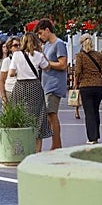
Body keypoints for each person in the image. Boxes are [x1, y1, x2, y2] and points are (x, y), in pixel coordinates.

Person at [8, 32, 51, 153]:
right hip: (35, 87)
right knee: (38, 116)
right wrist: (42, 53)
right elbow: (47, 67)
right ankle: (37, 151)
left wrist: (21, 72)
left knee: (21, 115)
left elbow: (11, 73)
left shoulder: (16, 55)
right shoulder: (38, 55)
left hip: (21, 86)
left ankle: (23, 149)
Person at [36, 19, 69, 148]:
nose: (40, 36)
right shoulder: (48, 45)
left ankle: (56, 145)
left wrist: (48, 64)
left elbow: (63, 64)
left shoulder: (58, 44)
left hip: (54, 84)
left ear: (47, 30)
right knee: (50, 115)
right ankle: (56, 144)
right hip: (47, 84)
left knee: (52, 114)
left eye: (41, 33)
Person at [73, 35, 102, 144]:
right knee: (95, 110)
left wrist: (75, 83)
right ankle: (96, 135)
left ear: (82, 44)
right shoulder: (98, 55)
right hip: (98, 86)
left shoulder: (80, 56)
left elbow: (78, 71)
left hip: (86, 86)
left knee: (89, 112)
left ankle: (91, 137)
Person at [0, 38, 19, 104]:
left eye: (19, 45)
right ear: (10, 48)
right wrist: (3, 97)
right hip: (10, 91)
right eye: (15, 45)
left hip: (22, 92)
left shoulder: (24, 59)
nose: (18, 47)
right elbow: (1, 80)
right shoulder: (7, 61)